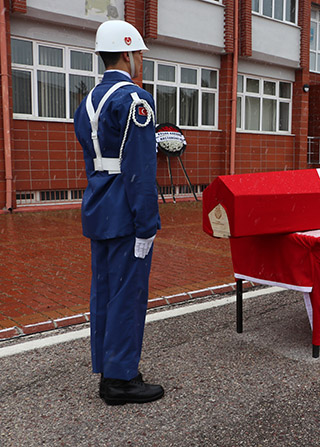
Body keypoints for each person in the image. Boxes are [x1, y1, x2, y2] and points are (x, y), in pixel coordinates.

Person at [74, 20, 163, 405]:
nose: (140, 60)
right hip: (126, 210)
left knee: (105, 294)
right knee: (128, 295)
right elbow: (141, 169)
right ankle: (121, 379)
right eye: (139, 53)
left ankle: (108, 368)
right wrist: (148, 223)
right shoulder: (135, 100)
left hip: (98, 204)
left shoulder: (88, 100)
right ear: (128, 53)